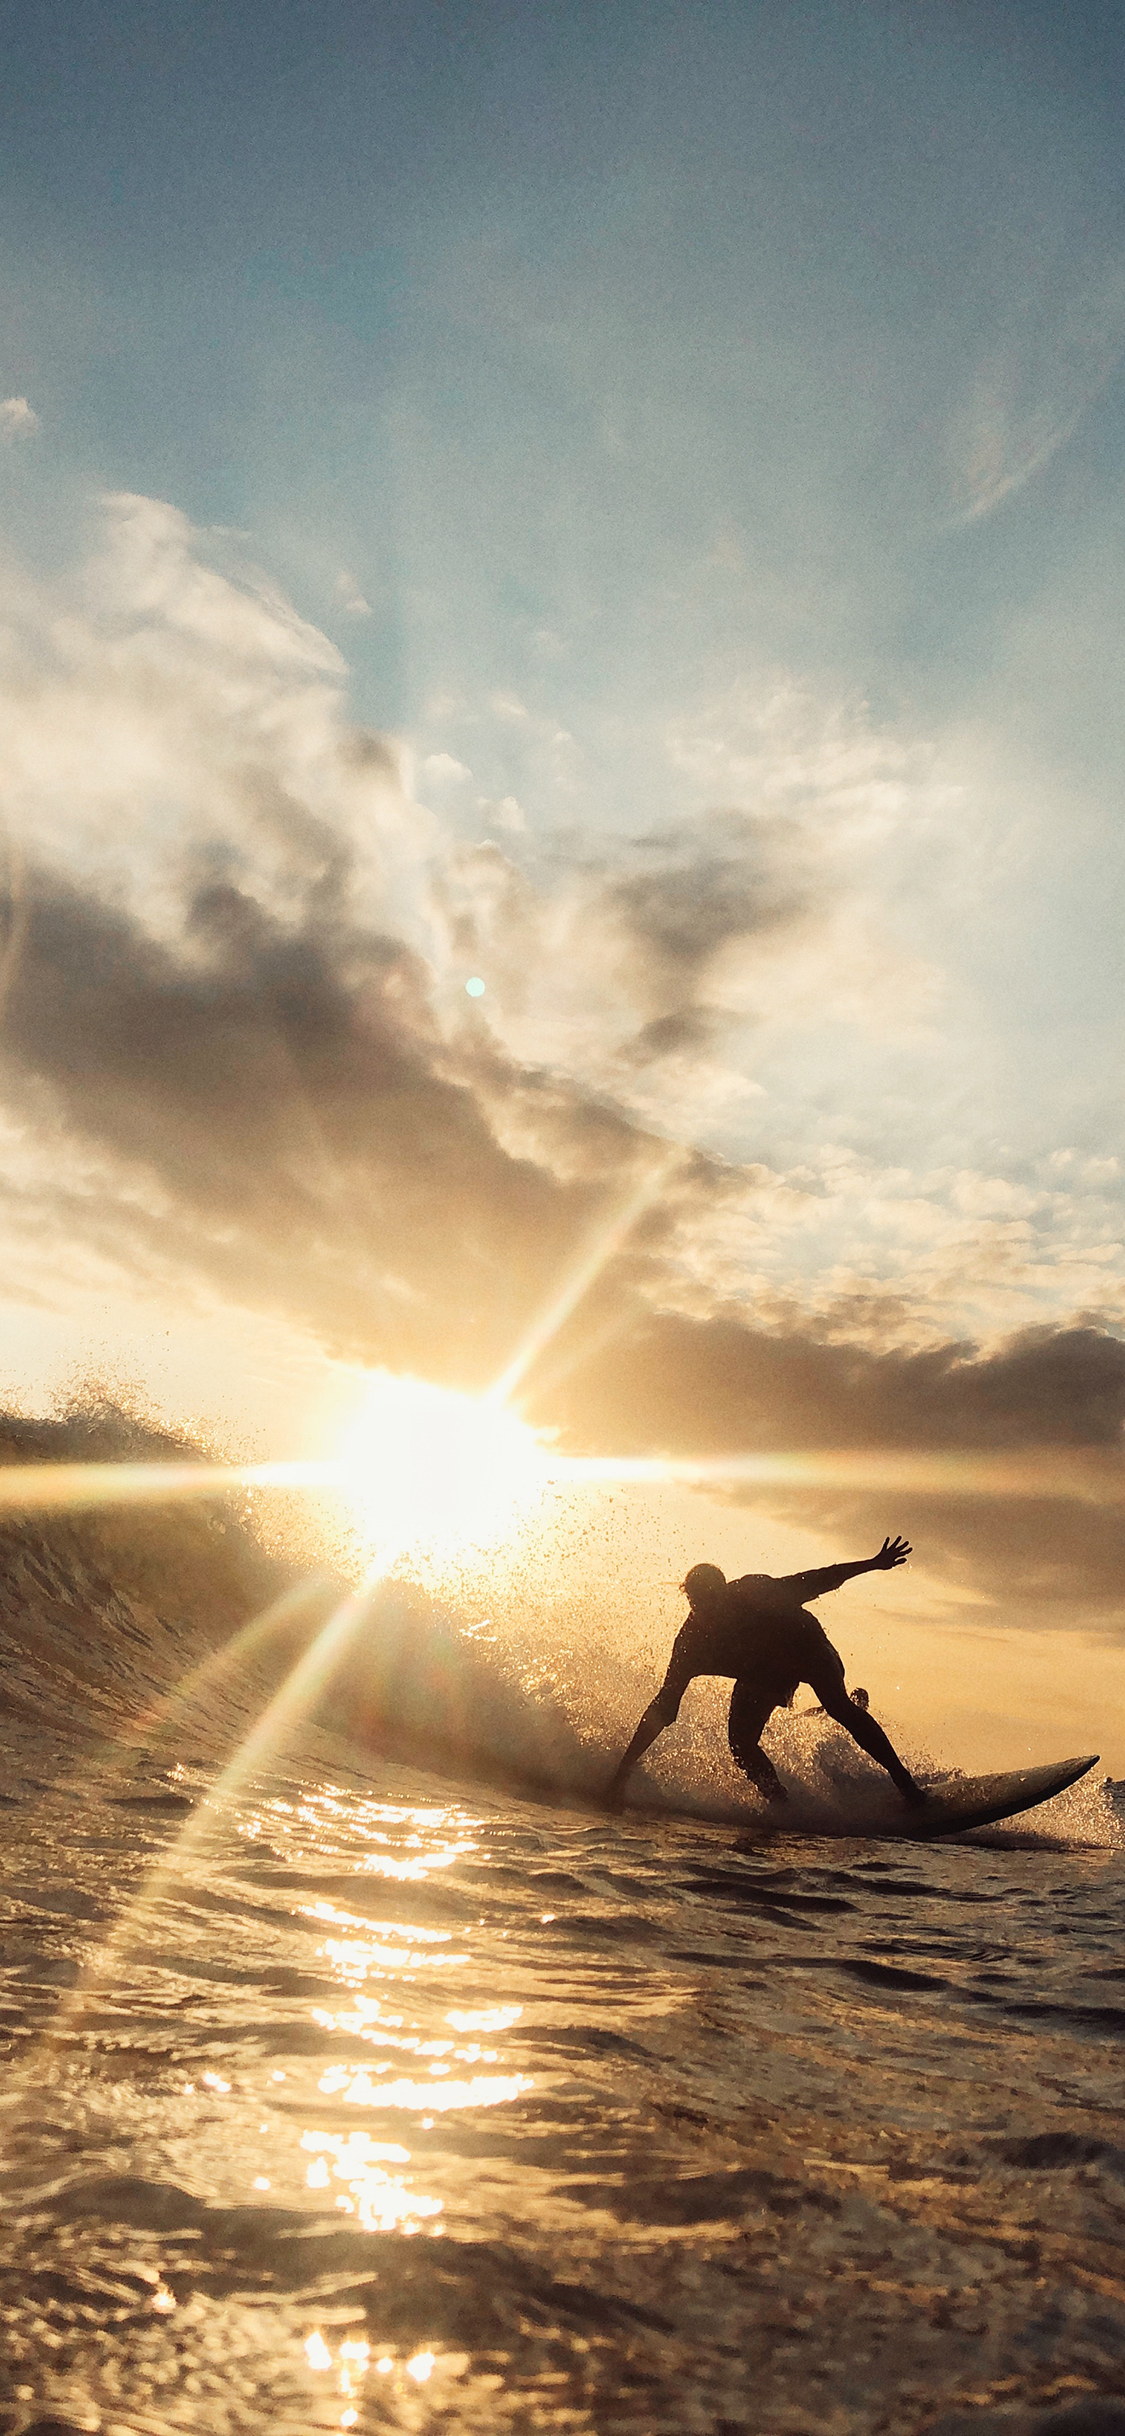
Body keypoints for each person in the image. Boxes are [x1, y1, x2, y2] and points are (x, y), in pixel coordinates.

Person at [607, 1535, 925, 1808]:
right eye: (698, 1603)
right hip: (763, 1672)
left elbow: (817, 1578)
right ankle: (781, 1805)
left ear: (725, 1590)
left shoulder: (754, 1592)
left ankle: (908, 1788)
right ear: (690, 1600)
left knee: (838, 1706)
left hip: (806, 1647)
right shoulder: (691, 1643)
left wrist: (872, 1563)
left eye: (713, 1600)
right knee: (741, 1745)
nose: (707, 1610)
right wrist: (623, 1770)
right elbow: (664, 1706)